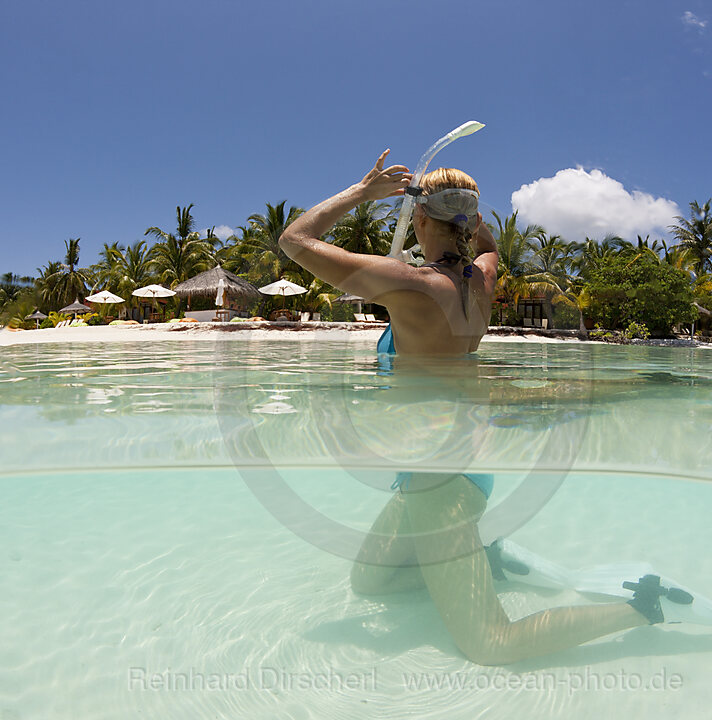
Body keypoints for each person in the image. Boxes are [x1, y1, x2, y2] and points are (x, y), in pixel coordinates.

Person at [278, 151, 666, 666]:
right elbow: (489, 247)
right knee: (371, 582)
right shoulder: (481, 279)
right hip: (446, 465)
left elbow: (293, 240)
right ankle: (482, 560)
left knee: (490, 643)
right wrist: (474, 226)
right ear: (470, 221)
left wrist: (364, 191)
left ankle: (644, 609)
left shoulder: (410, 284)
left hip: (440, 479)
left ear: (418, 219)